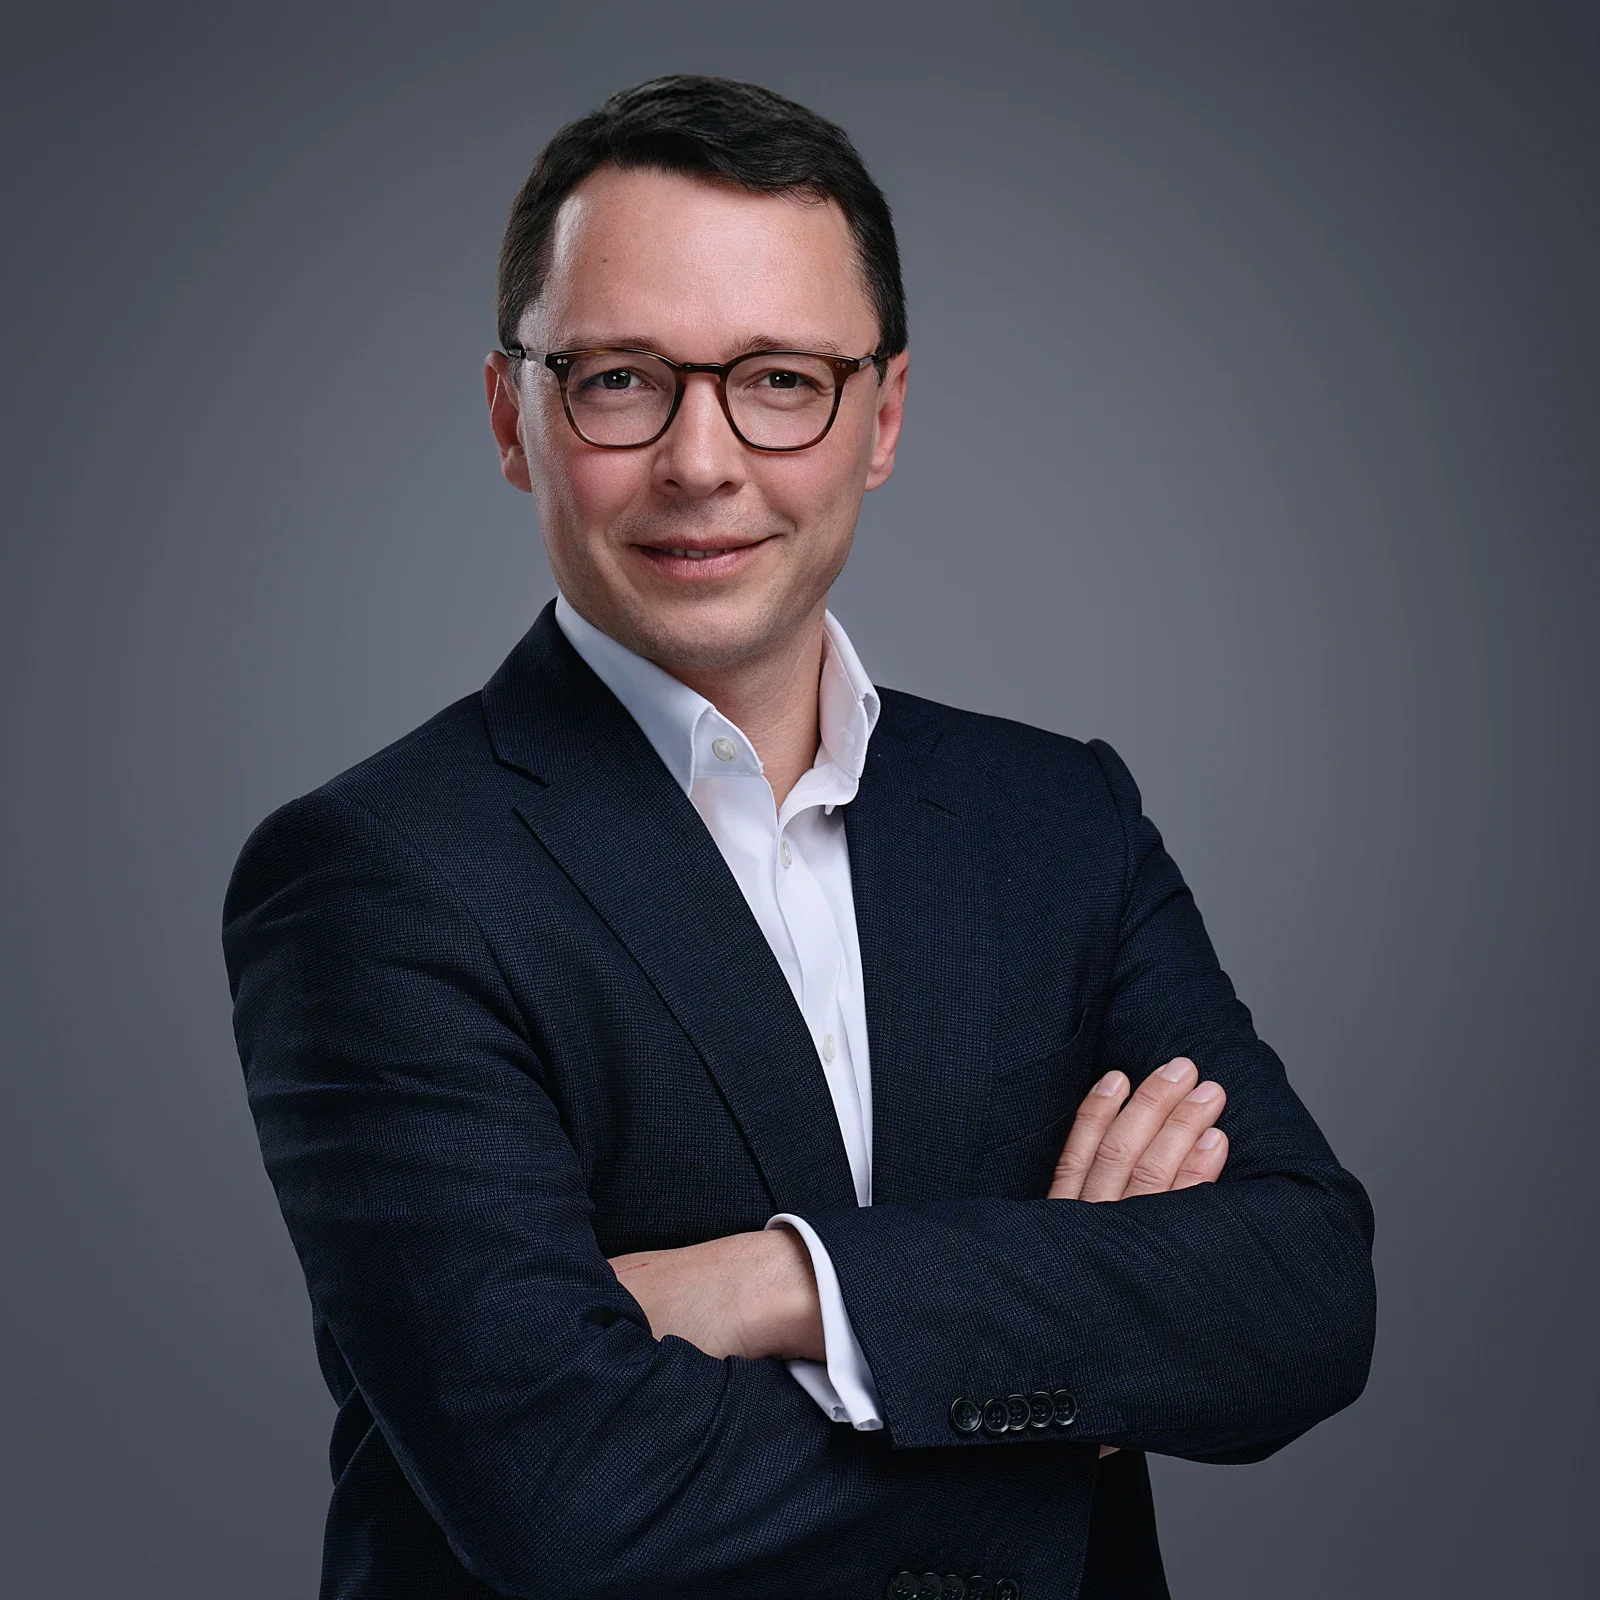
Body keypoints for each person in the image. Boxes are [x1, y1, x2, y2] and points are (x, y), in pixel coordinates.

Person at [222, 74, 1375, 1600]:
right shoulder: (372, 879)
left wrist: (786, 1285)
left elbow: (1301, 1296)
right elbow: (565, 1499)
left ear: (881, 417)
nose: (702, 461)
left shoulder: (1054, 821)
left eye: (779, 379)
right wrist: (1070, 1371)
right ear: (516, 418)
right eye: (622, 379)